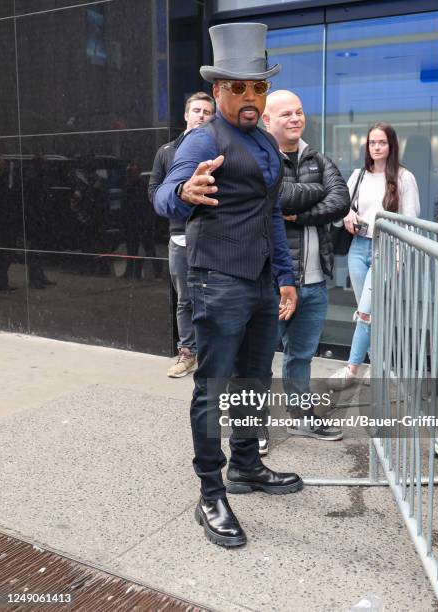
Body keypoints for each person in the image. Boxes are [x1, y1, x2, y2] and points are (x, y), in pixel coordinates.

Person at [154, 22, 302, 548]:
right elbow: (165, 198)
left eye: (256, 87)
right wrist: (186, 193)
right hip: (218, 281)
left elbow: (271, 217)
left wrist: (285, 278)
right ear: (217, 91)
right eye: (237, 87)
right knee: (214, 388)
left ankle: (246, 465)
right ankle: (211, 492)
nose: (249, 97)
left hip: (262, 282)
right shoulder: (202, 139)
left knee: (254, 380)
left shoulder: (264, 142)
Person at [262, 90, 350, 444]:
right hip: (272, 282)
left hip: (314, 282)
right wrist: (314, 194)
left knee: (301, 356)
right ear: (267, 120)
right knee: (258, 358)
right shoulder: (261, 161)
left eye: (299, 112)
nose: (296, 118)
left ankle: (301, 415)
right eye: (286, 114)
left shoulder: (318, 158)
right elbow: (278, 196)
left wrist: (298, 213)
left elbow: (340, 200)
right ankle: (252, 427)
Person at [328, 122, 420, 388]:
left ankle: (352, 369)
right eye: (372, 143)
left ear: (391, 146)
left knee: (366, 312)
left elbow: (410, 221)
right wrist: (347, 215)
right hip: (358, 247)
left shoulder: (404, 178)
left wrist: (400, 256)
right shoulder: (358, 175)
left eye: (382, 143)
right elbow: (341, 205)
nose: (376, 147)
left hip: (387, 249)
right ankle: (378, 365)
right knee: (367, 311)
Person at [149, 92, 215, 377]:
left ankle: (215, 355)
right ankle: (187, 352)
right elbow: (154, 191)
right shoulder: (167, 152)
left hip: (214, 237)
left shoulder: (219, 149)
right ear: (186, 115)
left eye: (207, 112)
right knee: (185, 299)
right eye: (196, 110)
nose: (201, 115)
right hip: (179, 237)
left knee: (217, 298)